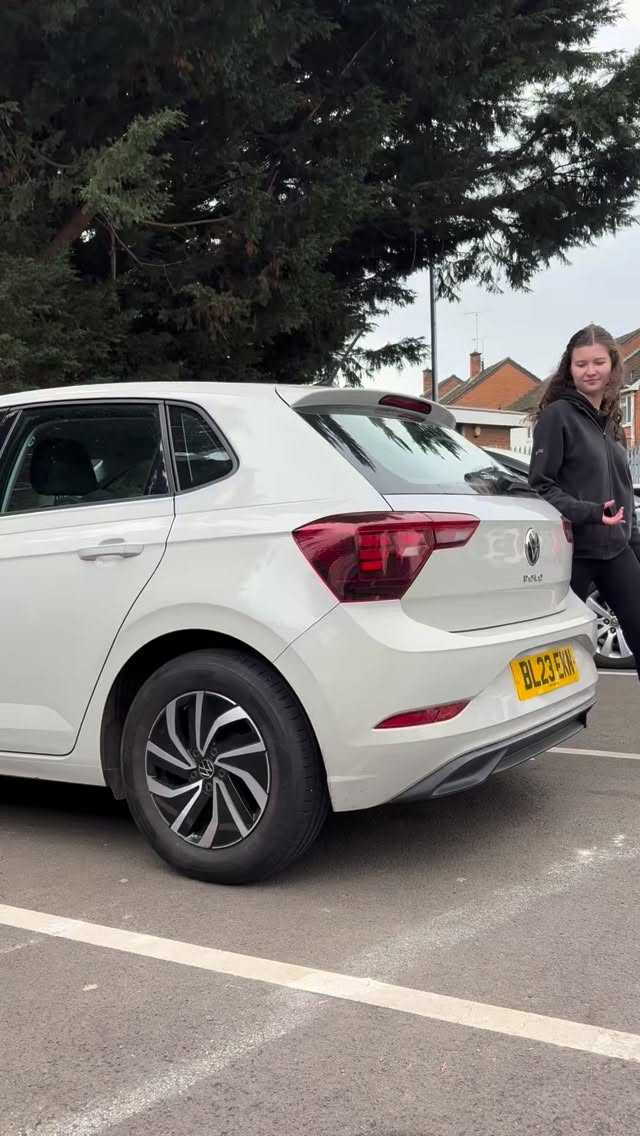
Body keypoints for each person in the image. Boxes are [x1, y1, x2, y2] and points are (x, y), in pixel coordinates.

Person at [528, 323, 640, 676]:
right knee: (556, 650)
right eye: (581, 364)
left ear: (612, 367)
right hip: (574, 553)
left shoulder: (612, 425)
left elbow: (624, 492)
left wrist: (634, 541)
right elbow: (541, 485)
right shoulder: (558, 416)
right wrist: (590, 513)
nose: (590, 371)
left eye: (598, 362)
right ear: (570, 368)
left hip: (617, 551)